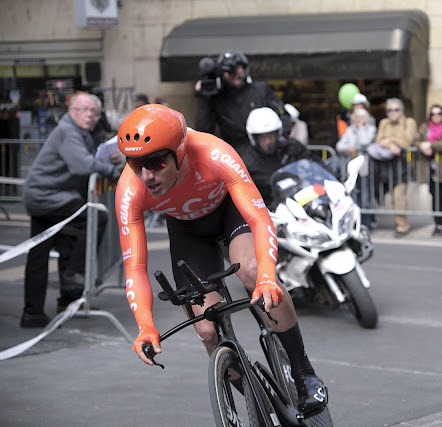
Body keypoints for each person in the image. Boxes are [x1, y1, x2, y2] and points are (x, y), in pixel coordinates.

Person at [114, 104, 326, 414]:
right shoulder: (130, 188)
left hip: (230, 211)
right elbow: (134, 265)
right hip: (188, 232)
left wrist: (268, 276)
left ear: (180, 151)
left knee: (253, 272)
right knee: (207, 330)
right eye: (135, 164)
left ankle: (303, 371)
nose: (147, 175)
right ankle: (257, 403)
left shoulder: (214, 153)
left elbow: (259, 218)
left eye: (156, 162)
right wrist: (145, 325)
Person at [21, 92, 122, 328]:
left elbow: (91, 155)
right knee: (96, 216)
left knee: (62, 247)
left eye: (94, 112)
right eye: (83, 110)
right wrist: (112, 171)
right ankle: (72, 279)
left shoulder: (81, 132)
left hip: (53, 197)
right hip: (47, 197)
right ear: (71, 111)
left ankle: (57, 304)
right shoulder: (68, 130)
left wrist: (107, 159)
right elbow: (82, 165)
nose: (89, 115)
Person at [194, 52, 291, 154]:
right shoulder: (219, 99)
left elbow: (283, 114)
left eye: (238, 68)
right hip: (237, 155)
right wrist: (204, 99)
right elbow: (203, 131)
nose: (236, 73)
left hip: (267, 150)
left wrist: (280, 138)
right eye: (230, 70)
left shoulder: (260, 90)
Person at [242, 107, 310, 207]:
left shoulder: (292, 147)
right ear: (254, 138)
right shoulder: (247, 162)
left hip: (299, 203)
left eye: (271, 135)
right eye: (263, 137)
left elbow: (313, 162)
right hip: (269, 212)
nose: (268, 141)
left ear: (278, 133)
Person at [370, 98, 417, 237]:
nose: (392, 113)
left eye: (396, 109)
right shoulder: (384, 123)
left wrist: (389, 140)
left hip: (401, 164)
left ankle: (402, 225)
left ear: (401, 111)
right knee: (385, 196)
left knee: (399, 197)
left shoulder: (409, 122)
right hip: (385, 165)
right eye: (389, 110)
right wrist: (391, 145)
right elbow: (378, 140)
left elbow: (407, 141)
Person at [415, 104, 442, 236]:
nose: (436, 116)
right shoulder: (424, 127)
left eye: (439, 114)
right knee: (434, 196)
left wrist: (430, 145)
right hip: (429, 168)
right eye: (433, 114)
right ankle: (437, 224)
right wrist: (422, 146)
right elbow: (415, 140)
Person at [336, 108, 377, 229]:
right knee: (353, 195)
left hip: (364, 168)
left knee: (365, 196)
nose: (358, 120)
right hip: (350, 168)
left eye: (361, 117)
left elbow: (364, 142)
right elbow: (339, 145)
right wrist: (347, 147)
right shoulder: (349, 130)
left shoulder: (370, 129)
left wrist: (360, 128)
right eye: (356, 117)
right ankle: (353, 222)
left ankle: (366, 223)